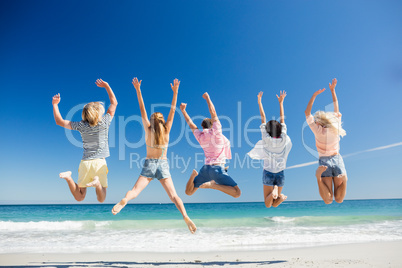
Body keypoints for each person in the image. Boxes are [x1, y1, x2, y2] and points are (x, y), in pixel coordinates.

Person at [112, 77, 197, 234]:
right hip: (163, 165)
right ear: (163, 121)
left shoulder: (148, 130)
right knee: (174, 196)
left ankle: (125, 200)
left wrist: (138, 89)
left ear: (151, 121)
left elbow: (142, 108)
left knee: (135, 191)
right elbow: (172, 110)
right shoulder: (167, 130)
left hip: (149, 164)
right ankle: (185, 215)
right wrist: (176, 91)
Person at [53, 79, 118, 203]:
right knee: (101, 198)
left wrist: (55, 104)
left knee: (79, 197)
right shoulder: (104, 122)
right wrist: (107, 86)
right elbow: (114, 103)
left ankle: (68, 178)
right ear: (99, 113)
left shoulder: (81, 125)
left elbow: (59, 121)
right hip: (100, 163)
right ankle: (97, 184)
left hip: (85, 163)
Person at [181, 92, 241, 198]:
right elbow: (213, 112)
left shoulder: (200, 137)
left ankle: (193, 176)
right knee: (237, 193)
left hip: (205, 169)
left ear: (202, 126)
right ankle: (213, 185)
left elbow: (191, 124)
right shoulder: (216, 133)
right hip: (216, 169)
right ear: (213, 125)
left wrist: (183, 111)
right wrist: (208, 98)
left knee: (189, 192)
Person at [305, 78, 347, 204]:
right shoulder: (335, 126)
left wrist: (313, 96)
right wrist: (333, 91)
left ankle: (318, 178)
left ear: (318, 121)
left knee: (328, 200)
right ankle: (345, 179)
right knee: (339, 200)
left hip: (324, 161)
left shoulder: (317, 130)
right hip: (336, 158)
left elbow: (307, 113)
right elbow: (336, 106)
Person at [248, 91, 292, 208]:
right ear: (279, 129)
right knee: (274, 205)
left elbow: (263, 118)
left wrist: (259, 102)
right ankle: (279, 195)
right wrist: (281, 103)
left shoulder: (266, 139)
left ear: (267, 130)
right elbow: (282, 120)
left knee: (268, 205)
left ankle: (276, 193)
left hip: (268, 172)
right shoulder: (283, 138)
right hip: (280, 172)